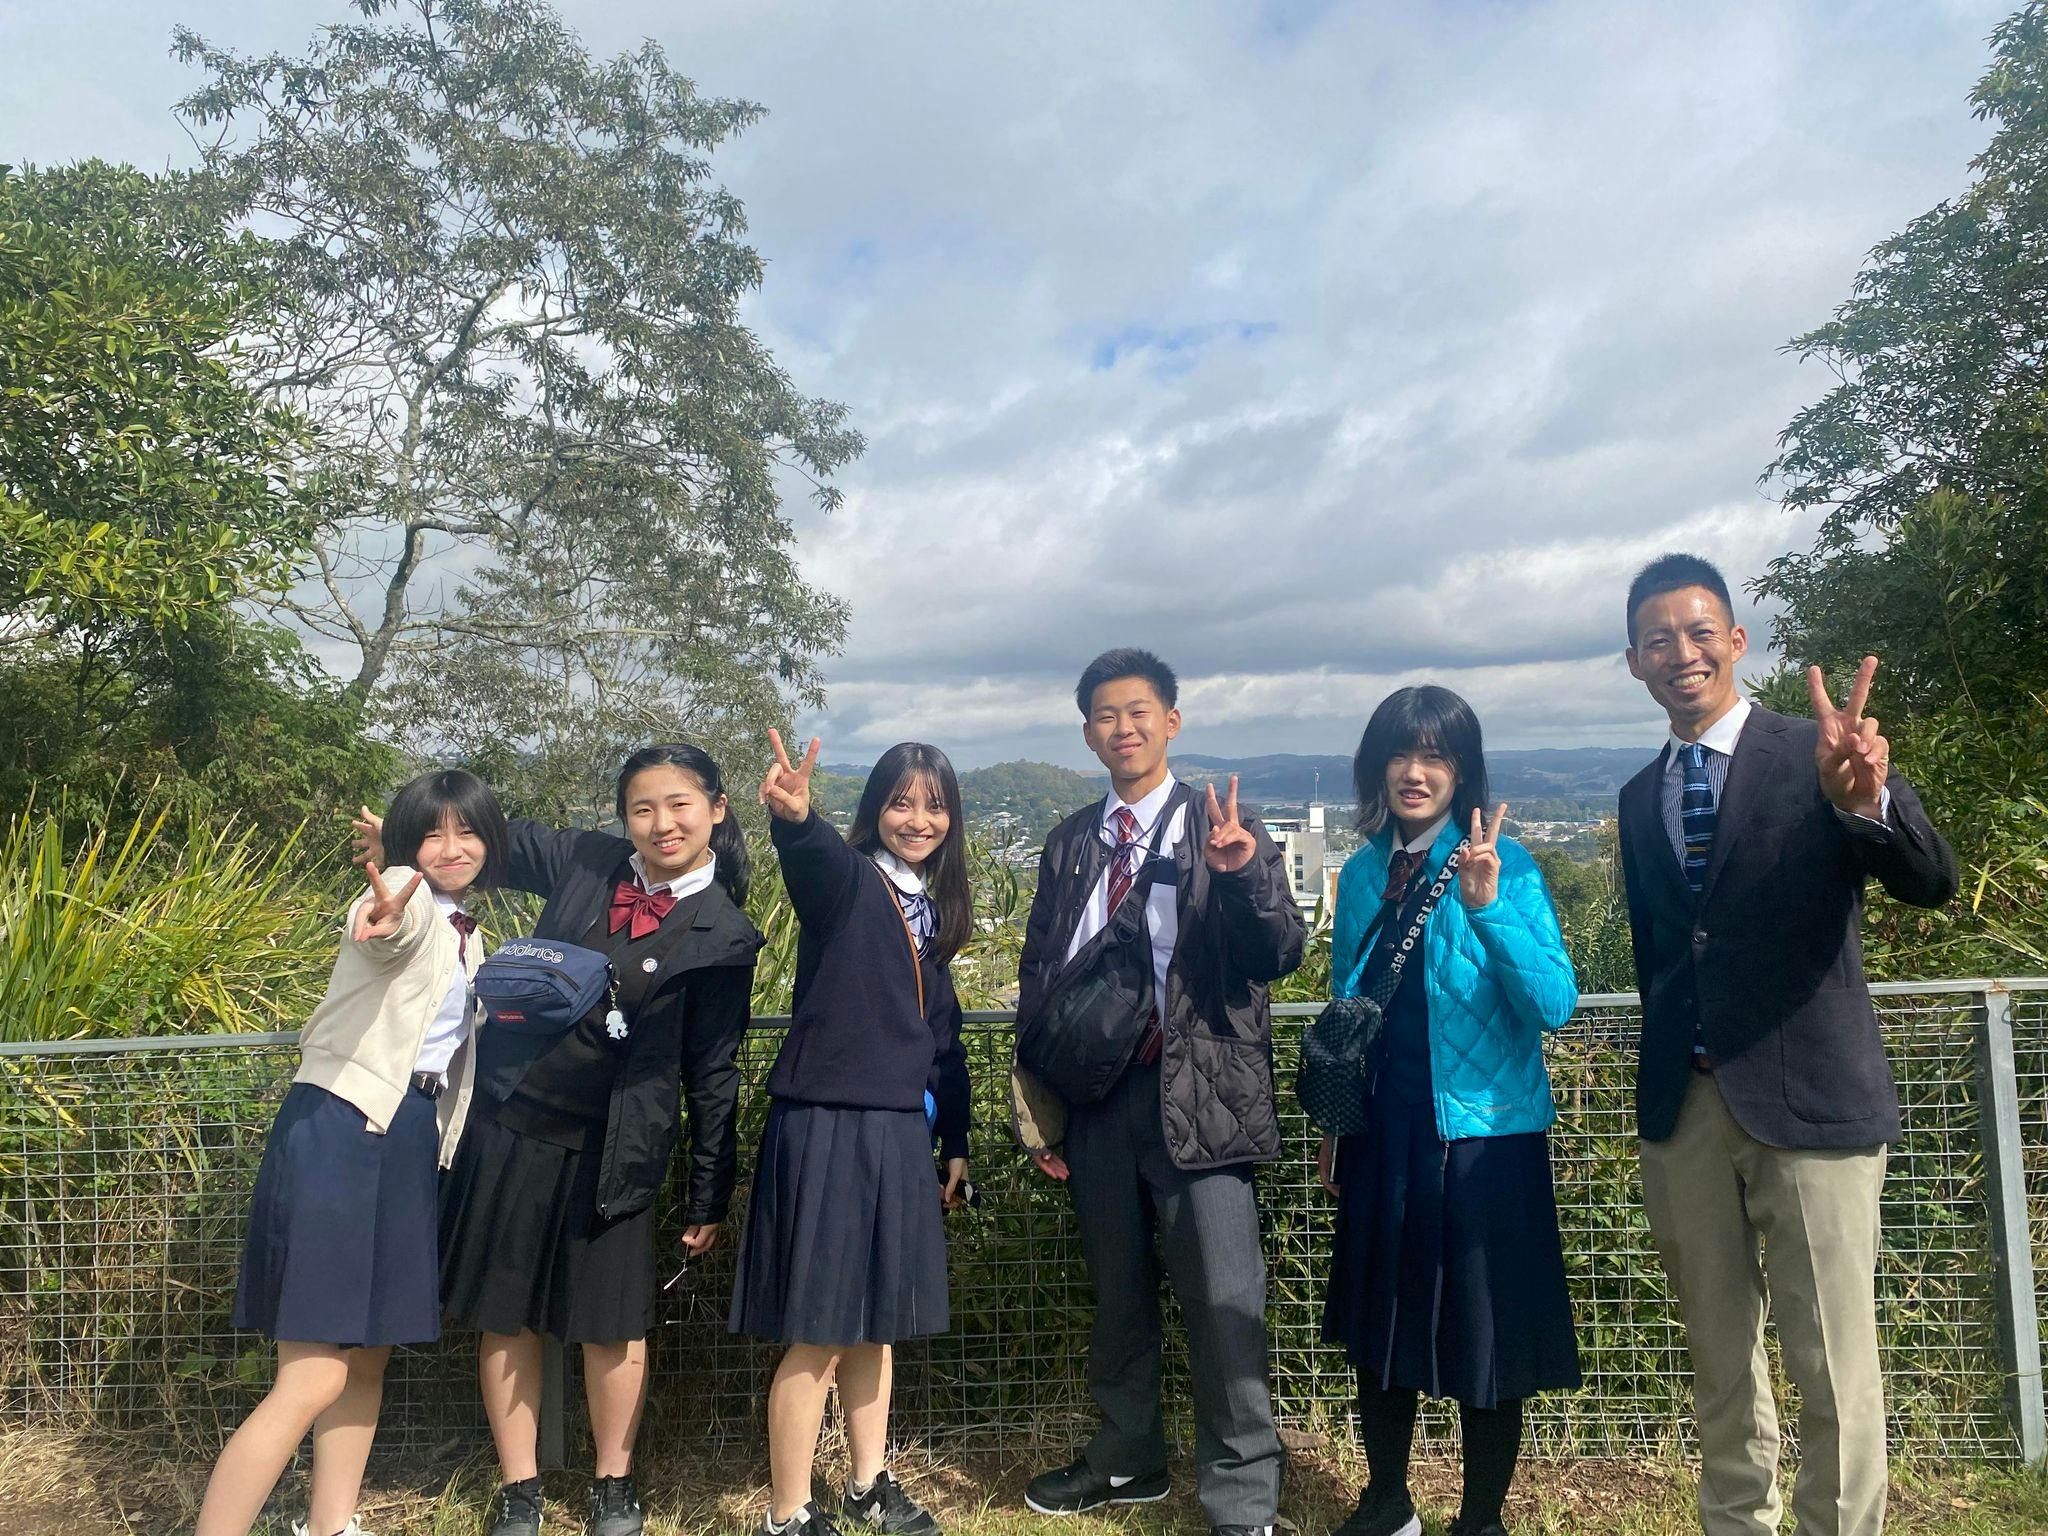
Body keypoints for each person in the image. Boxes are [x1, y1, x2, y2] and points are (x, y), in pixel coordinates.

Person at [1617, 554, 1958, 1536]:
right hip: (1682, 1112)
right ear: (1632, 662)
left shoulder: (1820, 752)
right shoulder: (1641, 797)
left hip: (1808, 1105)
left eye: (1695, 632)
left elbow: (1930, 882)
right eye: (1654, 640)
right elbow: (1661, 957)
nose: (1678, 653)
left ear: (1734, 641)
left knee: (1830, 1367)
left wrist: (1863, 803)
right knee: (1718, 1363)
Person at [361, 745, 763, 1536]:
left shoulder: (725, 931)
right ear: (624, 818)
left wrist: (710, 1189)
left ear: (716, 808)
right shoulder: (589, 860)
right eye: (643, 808)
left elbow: (715, 1072)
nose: (661, 823)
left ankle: (614, 1484)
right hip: (513, 1119)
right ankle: (521, 1488)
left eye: (679, 804)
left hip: (622, 1145)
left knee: (614, 1325)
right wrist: (407, 839)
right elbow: (483, 837)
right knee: (505, 1313)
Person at [1012, 647, 1306, 1536]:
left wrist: (1246, 872)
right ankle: (1127, 1456)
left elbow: (1278, 954)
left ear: (1172, 721)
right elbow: (1039, 979)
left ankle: (1243, 1499)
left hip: (1202, 1093)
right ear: (1088, 731)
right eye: (1106, 714)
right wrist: (1040, 1107)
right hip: (1100, 1100)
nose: (1124, 728)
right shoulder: (1070, 842)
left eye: (1140, 711)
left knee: (1224, 1302)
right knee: (1119, 1294)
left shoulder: (1222, 823)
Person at [198, 769, 508, 1536]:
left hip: (406, 1137)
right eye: (431, 832)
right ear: (406, 846)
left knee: (367, 1356)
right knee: (312, 1374)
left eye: (466, 830)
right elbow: (384, 925)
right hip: (344, 1125)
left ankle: (330, 1526)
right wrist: (385, 908)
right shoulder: (402, 894)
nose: (452, 846)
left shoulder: (469, 931)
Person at [1318, 687, 1580, 1536]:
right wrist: (1337, 1125)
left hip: (1483, 1136)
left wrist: (1487, 905)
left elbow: (1555, 1001)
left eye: (1436, 756)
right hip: (1385, 1132)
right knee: (1380, 1328)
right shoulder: (1360, 872)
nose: (1415, 772)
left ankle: (1480, 1520)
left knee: (1486, 1333)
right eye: (1400, 753)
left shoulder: (1509, 866)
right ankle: (1387, 1498)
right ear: (1377, 765)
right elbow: (1346, 1008)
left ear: (1463, 771)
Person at [731, 733, 973, 1536]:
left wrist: (956, 1143)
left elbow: (944, 1041)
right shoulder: (851, 881)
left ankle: (869, 1484)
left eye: (934, 805)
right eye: (901, 801)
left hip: (899, 1129)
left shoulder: (929, 909)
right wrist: (798, 819)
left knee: (880, 1320)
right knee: (825, 1326)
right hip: (830, 1120)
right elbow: (815, 861)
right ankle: (788, 1511)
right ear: (874, 809)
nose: (918, 819)